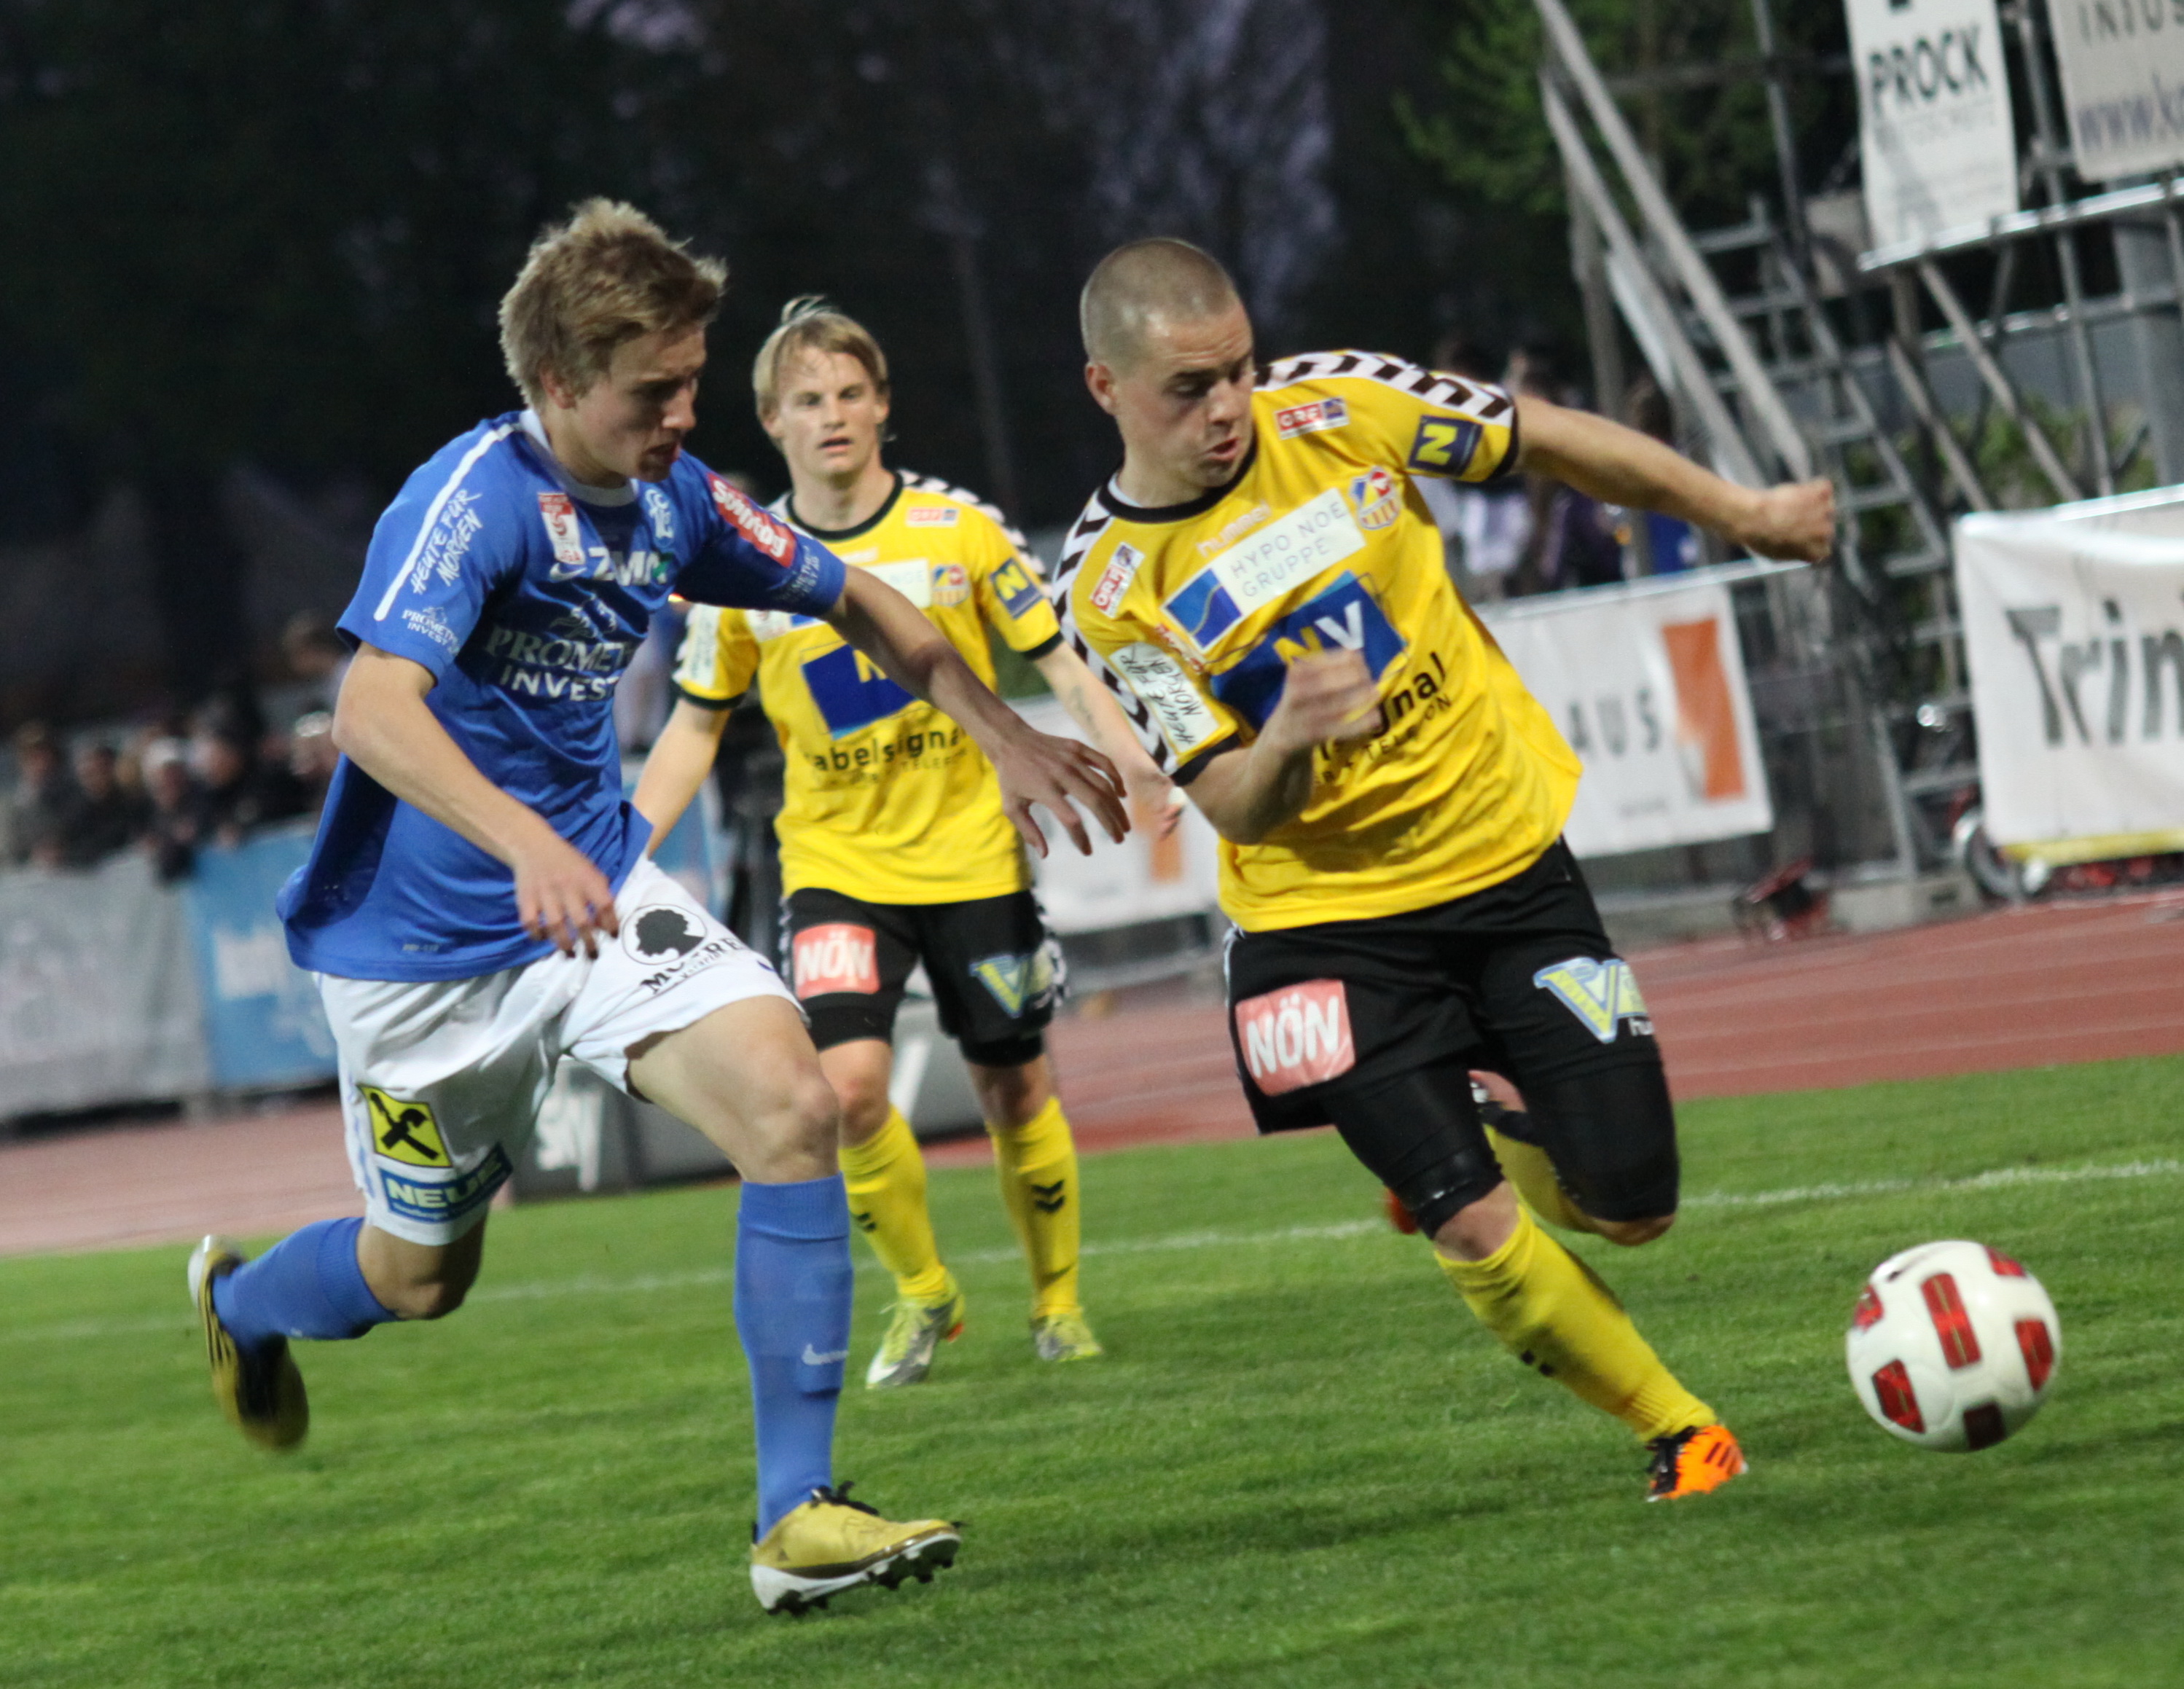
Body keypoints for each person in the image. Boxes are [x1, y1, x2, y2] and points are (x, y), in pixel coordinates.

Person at [186, 201, 1127, 1615]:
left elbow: (862, 600)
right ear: (559, 382)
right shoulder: (473, 497)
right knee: (421, 1277)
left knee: (794, 1103)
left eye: (691, 382)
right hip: (421, 960)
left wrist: (1002, 730)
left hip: (596, 896)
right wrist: (521, 843)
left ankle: (794, 1516)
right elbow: (372, 708)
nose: (685, 415)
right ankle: (244, 1303)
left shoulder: (677, 499)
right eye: (654, 392)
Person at [1052, 238, 1833, 1502]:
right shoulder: (1103, 588)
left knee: (1633, 1205)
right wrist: (1290, 738)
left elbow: (1549, 437)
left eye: (1237, 369)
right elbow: (1234, 805)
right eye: (1186, 388)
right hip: (1319, 925)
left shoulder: (1342, 403)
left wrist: (1741, 515)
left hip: (1504, 865)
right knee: (1466, 1217)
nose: (1226, 406)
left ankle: (1478, 1128)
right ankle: (1681, 1430)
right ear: (1105, 388)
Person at [635, 299, 1175, 1387]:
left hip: (974, 853)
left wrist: (1134, 754)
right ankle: (925, 1293)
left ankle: (1058, 1306)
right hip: (835, 866)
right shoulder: (740, 563)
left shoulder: (959, 530)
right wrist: (620, 848)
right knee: (846, 1094)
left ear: (882, 405)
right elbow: (694, 724)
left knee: (1014, 1090)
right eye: (806, 400)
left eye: (849, 393)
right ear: (772, 421)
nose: (831, 415)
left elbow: (1057, 659)